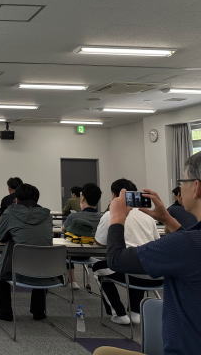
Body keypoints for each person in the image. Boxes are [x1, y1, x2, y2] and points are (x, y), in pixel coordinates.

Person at [96, 151, 201, 355]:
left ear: (196, 187)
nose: (180, 189)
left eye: (182, 182)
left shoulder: (186, 244)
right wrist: (167, 219)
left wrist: (116, 218)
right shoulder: (189, 243)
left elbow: (116, 260)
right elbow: (188, 248)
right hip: (153, 279)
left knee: (102, 353)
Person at [93, 178, 160, 325]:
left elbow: (100, 242)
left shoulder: (110, 214)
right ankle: (136, 312)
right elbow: (156, 241)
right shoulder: (148, 215)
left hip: (129, 272)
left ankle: (119, 313)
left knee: (98, 267)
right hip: (154, 274)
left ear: (114, 195)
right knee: (139, 257)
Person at [0, 183, 52, 321]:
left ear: (16, 199)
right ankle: (39, 311)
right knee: (38, 258)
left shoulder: (10, 212)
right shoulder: (47, 215)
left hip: (17, 268)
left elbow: (0, 236)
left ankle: (3, 312)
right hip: (47, 269)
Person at [63, 183, 102, 289]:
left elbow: (64, 230)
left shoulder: (73, 216)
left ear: (82, 198)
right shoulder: (102, 217)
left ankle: (72, 281)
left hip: (74, 253)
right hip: (95, 253)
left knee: (64, 247)